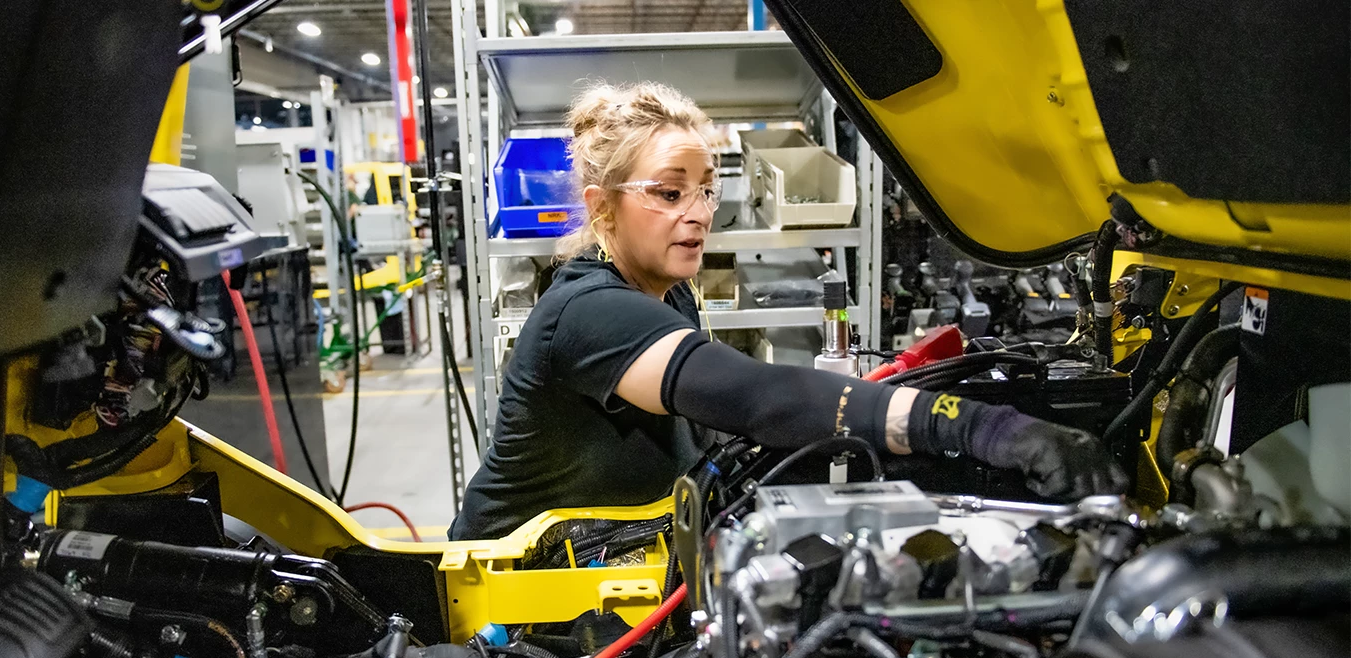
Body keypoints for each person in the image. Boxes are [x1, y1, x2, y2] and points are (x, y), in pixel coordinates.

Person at [448, 83, 1127, 540]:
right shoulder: (589, 312)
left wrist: (870, 401)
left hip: (619, 545)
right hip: (516, 582)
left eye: (708, 191)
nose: (697, 216)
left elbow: (711, 427)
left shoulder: (671, 290)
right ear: (602, 206)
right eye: (669, 192)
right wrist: (981, 428)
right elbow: (756, 396)